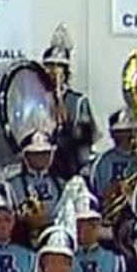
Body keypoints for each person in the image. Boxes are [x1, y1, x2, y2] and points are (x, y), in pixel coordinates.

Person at [41, 24, 98, 181]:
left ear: (65, 71)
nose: (53, 72)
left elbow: (85, 142)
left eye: (58, 67)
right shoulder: (34, 100)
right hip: (40, 168)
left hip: (69, 168)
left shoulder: (78, 102)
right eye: (49, 66)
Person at [0, 130, 63, 245]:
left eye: (45, 153)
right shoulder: (10, 186)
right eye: (36, 154)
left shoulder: (62, 184)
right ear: (25, 155)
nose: (41, 157)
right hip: (24, 241)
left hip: (56, 239)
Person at [92, 108, 137, 201]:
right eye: (122, 131)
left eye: (128, 131)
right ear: (113, 134)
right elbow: (103, 192)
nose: (127, 135)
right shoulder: (105, 160)